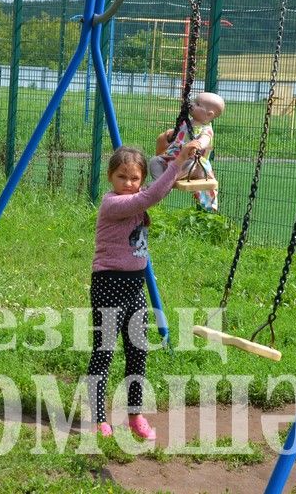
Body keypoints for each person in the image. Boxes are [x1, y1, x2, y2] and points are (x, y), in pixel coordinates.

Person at [88, 142, 201, 440]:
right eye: (122, 177)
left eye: (135, 178)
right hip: (109, 284)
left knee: (138, 353)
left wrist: (175, 148)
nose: (128, 183)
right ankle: (99, 418)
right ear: (111, 177)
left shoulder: (138, 198)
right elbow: (153, 194)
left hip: (135, 287)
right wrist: (178, 161)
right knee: (104, 351)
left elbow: (156, 186)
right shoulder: (112, 204)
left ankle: (135, 415)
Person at [150, 90, 225, 212]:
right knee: (154, 161)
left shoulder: (206, 129)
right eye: (194, 102)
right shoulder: (187, 122)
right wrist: (171, 134)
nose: (192, 105)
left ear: (209, 115)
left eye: (198, 104)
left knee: (187, 164)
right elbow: (179, 133)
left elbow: (205, 140)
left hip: (193, 164)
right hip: (173, 157)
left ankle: (166, 184)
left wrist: (198, 144)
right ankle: (158, 183)